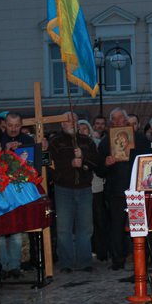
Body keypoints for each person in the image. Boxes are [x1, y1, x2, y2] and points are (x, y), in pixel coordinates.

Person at [95, 108, 150, 270]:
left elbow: (148, 160)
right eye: (115, 120)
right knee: (116, 227)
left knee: (140, 225)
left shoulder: (140, 139)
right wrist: (106, 163)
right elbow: (99, 169)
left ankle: (143, 259)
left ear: (127, 120)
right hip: (116, 191)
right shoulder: (106, 142)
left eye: (121, 119)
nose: (118, 122)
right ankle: (118, 260)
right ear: (111, 122)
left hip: (138, 189)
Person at [49, 113, 99, 272]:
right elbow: (50, 165)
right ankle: (66, 262)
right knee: (64, 228)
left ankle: (85, 261)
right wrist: (69, 163)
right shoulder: (55, 142)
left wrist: (83, 159)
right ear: (62, 124)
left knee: (85, 227)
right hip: (63, 188)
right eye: (68, 121)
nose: (72, 123)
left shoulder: (87, 141)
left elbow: (95, 162)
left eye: (75, 120)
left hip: (84, 188)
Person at [0, 112, 34, 278]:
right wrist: (5, 151)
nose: (13, 129)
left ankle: (14, 265)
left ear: (21, 125)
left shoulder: (27, 141)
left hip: (19, 191)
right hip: (0, 192)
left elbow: (32, 165)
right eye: (10, 125)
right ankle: (2, 266)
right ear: (5, 124)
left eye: (16, 125)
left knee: (16, 230)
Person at [78, 120, 109, 262]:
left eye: (86, 128)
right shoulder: (75, 146)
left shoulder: (96, 143)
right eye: (80, 129)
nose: (83, 131)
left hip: (96, 186)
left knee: (99, 219)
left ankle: (101, 250)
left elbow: (99, 163)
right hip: (81, 187)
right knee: (85, 221)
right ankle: (88, 250)